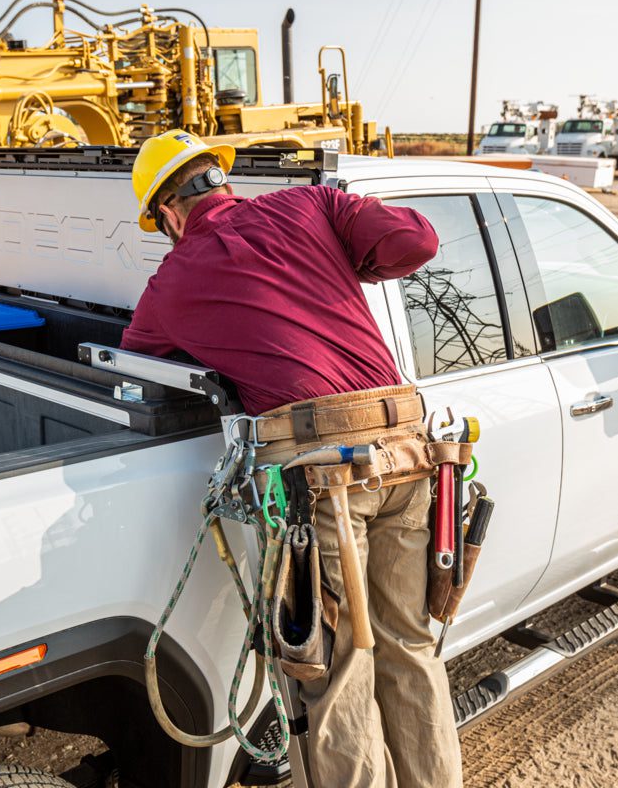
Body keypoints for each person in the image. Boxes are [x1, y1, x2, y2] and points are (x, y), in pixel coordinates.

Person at [121, 130, 462, 788]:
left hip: (327, 476)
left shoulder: (171, 283)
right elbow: (416, 241)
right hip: (411, 451)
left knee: (338, 674)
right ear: (220, 179)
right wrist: (343, 234)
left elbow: (136, 369)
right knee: (411, 649)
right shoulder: (311, 206)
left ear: (165, 213)